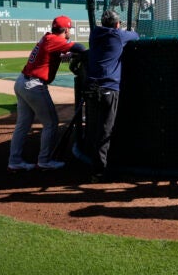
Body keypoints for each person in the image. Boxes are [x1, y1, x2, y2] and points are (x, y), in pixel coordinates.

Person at [8, 15, 84, 172]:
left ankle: (14, 161)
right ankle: (45, 160)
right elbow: (80, 47)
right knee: (51, 123)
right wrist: (84, 53)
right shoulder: (55, 40)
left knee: (22, 125)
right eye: (69, 29)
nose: (70, 32)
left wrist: (69, 56)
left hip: (22, 82)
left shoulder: (48, 38)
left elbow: (55, 55)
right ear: (66, 29)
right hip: (33, 85)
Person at [85, 9, 139, 181]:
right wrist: (122, 29)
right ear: (117, 24)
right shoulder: (118, 36)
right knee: (105, 131)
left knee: (94, 129)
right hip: (108, 88)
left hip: (92, 88)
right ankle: (99, 172)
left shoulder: (94, 34)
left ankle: (95, 167)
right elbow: (136, 35)